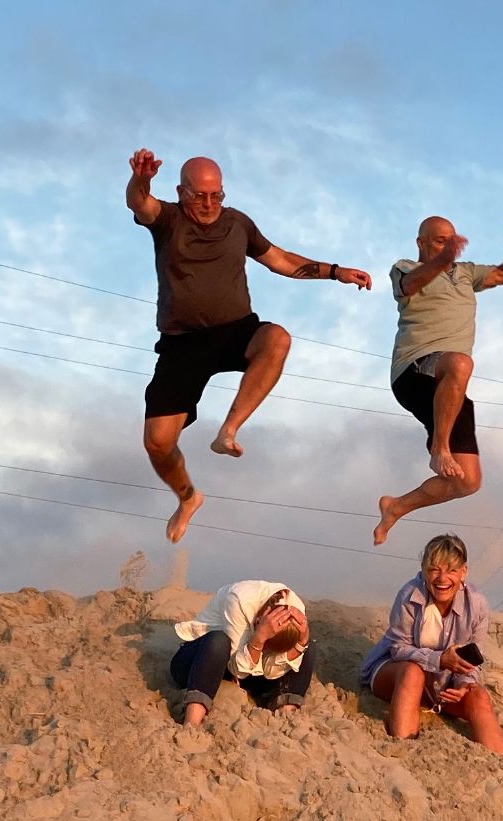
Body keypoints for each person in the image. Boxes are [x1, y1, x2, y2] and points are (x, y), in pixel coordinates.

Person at [126, 150, 372, 542]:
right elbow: (140, 203)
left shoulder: (237, 223)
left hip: (235, 331)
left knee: (277, 338)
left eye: (215, 196)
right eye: (198, 196)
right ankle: (188, 497)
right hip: (182, 344)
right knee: (157, 443)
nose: (208, 205)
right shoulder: (168, 219)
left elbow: (282, 261)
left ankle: (228, 430)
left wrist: (335, 272)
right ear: (181, 192)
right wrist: (141, 180)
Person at [373, 214, 503, 545]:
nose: (448, 246)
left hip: (449, 385)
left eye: (451, 240)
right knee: (460, 363)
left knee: (468, 481)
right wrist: (443, 259)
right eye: (439, 241)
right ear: (421, 243)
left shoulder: (465, 273)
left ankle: (396, 507)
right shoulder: (403, 267)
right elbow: (411, 285)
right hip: (414, 369)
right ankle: (439, 448)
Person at [360, 534, 503, 753]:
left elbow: (473, 660)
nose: (442, 578)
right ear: (423, 569)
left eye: (451, 570)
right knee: (413, 672)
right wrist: (439, 659)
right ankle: (403, 749)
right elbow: (398, 649)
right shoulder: (410, 595)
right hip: (395, 673)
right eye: (434, 569)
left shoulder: (477, 605)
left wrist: (462, 684)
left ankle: (501, 766)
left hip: (442, 685)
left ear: (464, 572)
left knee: (479, 695)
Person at [169, 580, 315, 727]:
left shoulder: (297, 611)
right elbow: (237, 670)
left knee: (308, 645)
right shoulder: (240, 599)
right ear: (258, 620)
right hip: (202, 664)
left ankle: (286, 711)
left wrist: (300, 645)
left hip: (250, 672)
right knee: (219, 641)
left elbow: (271, 672)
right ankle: (191, 722)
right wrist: (259, 638)